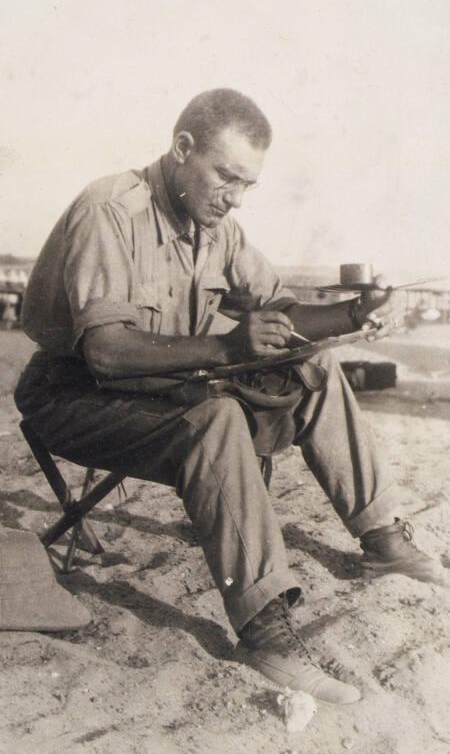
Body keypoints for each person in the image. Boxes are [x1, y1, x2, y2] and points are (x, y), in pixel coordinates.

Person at [15, 88, 448, 704]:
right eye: (227, 176)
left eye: (248, 184)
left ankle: (382, 537)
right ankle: (265, 625)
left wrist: (356, 312)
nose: (236, 197)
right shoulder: (110, 210)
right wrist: (226, 350)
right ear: (182, 148)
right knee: (217, 418)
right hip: (72, 396)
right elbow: (106, 352)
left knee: (315, 370)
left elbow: (282, 313)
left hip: (162, 389)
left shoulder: (218, 228)